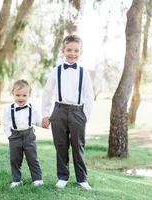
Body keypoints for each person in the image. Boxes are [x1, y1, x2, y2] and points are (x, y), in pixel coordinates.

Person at [42, 35, 94, 190]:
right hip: (59, 111)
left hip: (78, 112)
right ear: (63, 50)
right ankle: (63, 177)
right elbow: (47, 93)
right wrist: (46, 114)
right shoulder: (55, 71)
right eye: (69, 50)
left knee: (78, 146)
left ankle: (82, 179)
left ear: (81, 52)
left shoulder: (84, 73)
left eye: (76, 50)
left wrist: (85, 116)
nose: (72, 53)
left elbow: (89, 95)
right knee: (61, 145)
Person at [2, 79, 44, 188]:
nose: (21, 98)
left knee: (33, 158)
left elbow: (37, 120)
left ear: (29, 94)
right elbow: (6, 123)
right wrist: (9, 136)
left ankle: (37, 179)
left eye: (24, 95)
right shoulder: (8, 109)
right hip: (14, 136)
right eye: (18, 95)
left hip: (29, 135)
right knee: (15, 159)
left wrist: (44, 124)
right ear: (13, 94)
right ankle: (16, 180)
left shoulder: (32, 108)